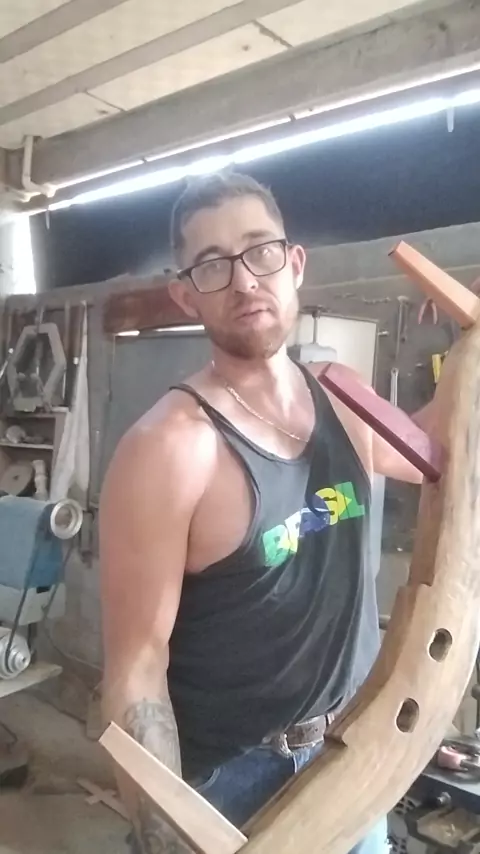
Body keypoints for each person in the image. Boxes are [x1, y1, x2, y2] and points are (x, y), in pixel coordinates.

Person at [99, 171, 429, 854]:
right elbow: (136, 668)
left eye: (260, 251)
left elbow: (439, 456)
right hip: (234, 786)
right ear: (186, 294)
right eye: (212, 264)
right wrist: (169, 833)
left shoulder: (347, 399)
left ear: (294, 263)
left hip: (355, 756)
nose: (244, 280)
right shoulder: (169, 448)